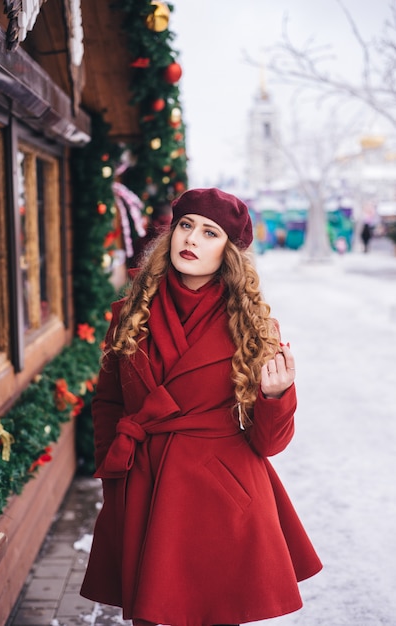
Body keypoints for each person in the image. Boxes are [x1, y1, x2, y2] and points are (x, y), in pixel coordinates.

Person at [80, 188, 322, 626]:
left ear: (228, 252)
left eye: (209, 232)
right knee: (151, 617)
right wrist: (115, 480)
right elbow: (109, 403)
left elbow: (268, 443)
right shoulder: (130, 313)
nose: (191, 239)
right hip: (146, 486)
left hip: (220, 499)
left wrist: (276, 395)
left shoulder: (254, 326)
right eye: (186, 226)